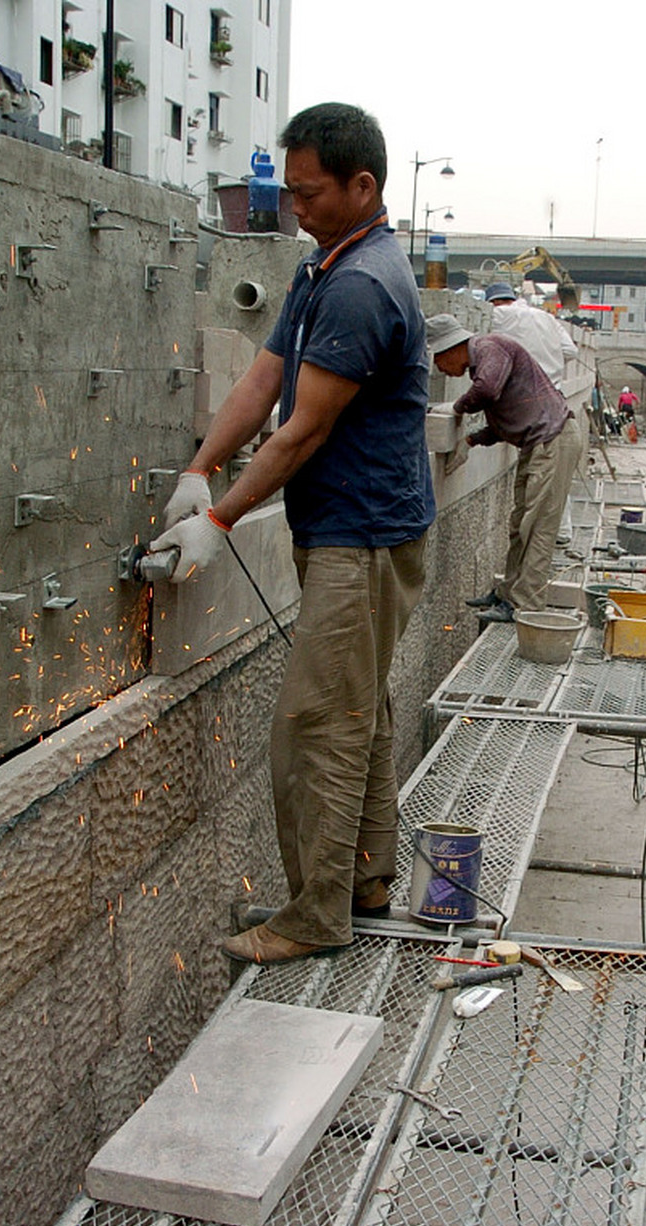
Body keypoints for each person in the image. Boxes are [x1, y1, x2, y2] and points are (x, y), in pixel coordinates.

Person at [150, 102, 433, 966]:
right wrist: (201, 467)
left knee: (317, 727)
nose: (295, 209)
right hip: (352, 530)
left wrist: (221, 519)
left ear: (363, 186)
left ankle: (317, 916)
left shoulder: (360, 285)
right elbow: (264, 378)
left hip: (363, 538)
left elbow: (303, 430)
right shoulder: (324, 267)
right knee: (362, 714)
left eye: (310, 194)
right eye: (292, 194)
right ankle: (367, 878)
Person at [430, 314, 585, 625]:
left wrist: (456, 407)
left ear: (449, 348)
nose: (438, 368)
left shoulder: (490, 348)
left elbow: (486, 391)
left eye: (437, 359)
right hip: (539, 444)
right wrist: (471, 441)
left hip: (553, 442)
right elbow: (506, 421)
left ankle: (524, 606)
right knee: (520, 524)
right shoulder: (486, 359)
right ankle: (508, 593)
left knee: (538, 526)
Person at [482, 282, 577, 392]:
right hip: (553, 393)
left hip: (519, 394)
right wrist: (549, 360)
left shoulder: (496, 314)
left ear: (494, 302)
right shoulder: (548, 317)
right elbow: (571, 351)